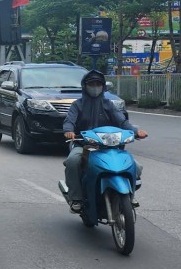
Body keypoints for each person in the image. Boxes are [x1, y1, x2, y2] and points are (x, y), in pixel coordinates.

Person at [62, 70, 146, 213]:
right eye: (91, 84)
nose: (95, 87)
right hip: (84, 145)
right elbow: (69, 120)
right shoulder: (78, 104)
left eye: (98, 84)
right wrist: (68, 131)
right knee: (72, 161)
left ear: (103, 87)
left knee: (135, 166)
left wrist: (135, 131)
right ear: (85, 86)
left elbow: (122, 121)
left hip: (108, 146)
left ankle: (130, 196)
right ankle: (76, 198)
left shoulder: (109, 105)